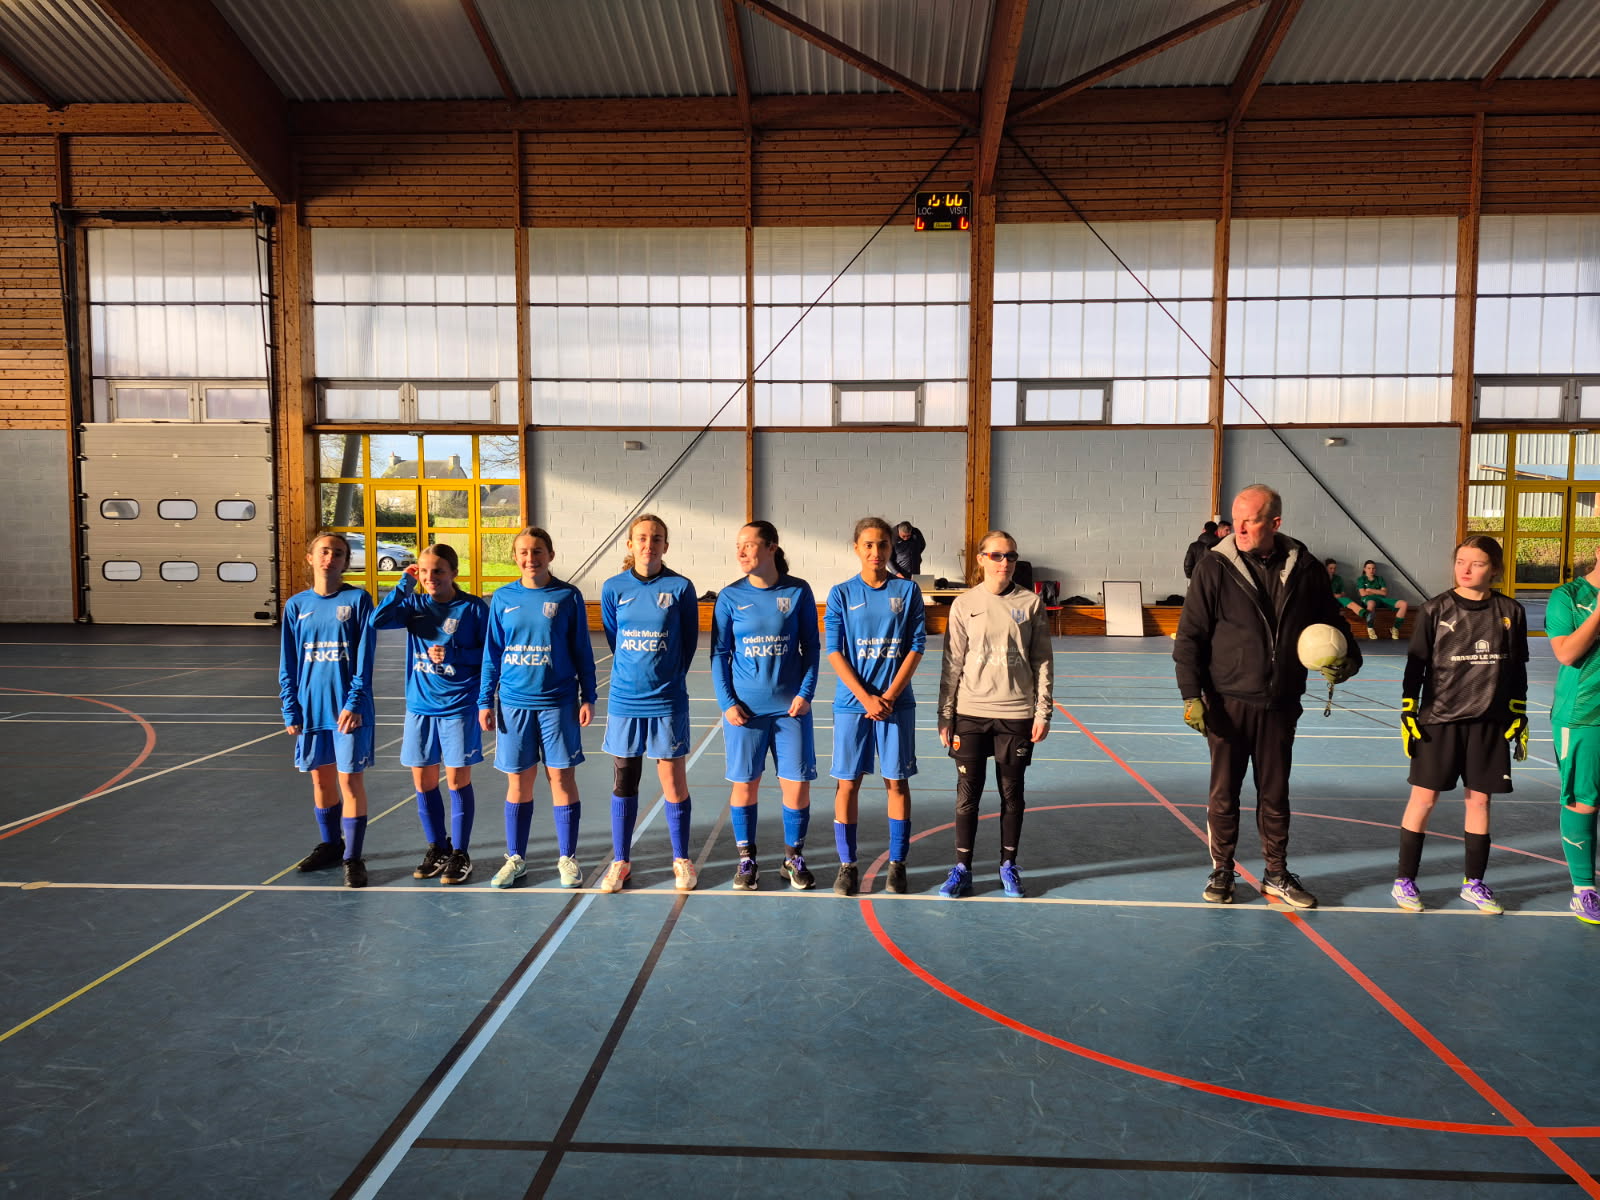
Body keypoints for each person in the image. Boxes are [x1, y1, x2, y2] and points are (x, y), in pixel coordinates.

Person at [1173, 484, 1361, 908]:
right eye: (1236, 518)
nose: (1238, 527)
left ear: (1274, 523)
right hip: (1226, 701)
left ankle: (1276, 873)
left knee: (1275, 794)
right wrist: (1191, 694)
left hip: (1280, 701)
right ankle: (1223, 870)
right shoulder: (1213, 566)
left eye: (1250, 520)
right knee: (1224, 793)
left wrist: (1349, 659)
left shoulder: (1306, 568)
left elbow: (1333, 623)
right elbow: (1190, 637)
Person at [1391, 536, 1528, 914]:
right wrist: (1408, 709)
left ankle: (1474, 883)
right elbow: (1415, 666)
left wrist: (1518, 711)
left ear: (1494, 569)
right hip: (1439, 722)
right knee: (1424, 798)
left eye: (1477, 563)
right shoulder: (1435, 609)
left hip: (1489, 724)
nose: (1465, 569)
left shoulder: (1511, 611)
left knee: (1480, 801)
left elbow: (1517, 668)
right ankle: (1404, 880)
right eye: (1460, 561)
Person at [935, 529, 1052, 899]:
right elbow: (952, 663)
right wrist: (945, 713)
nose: (1005, 562)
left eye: (1011, 556)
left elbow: (1042, 661)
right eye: (998, 555)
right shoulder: (963, 604)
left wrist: (1043, 711)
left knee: (1012, 794)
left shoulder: (1030, 603)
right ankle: (962, 868)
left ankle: (1008, 865)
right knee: (967, 795)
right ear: (981, 559)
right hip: (970, 713)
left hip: (1016, 713)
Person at [478, 526, 596, 889]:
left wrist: (589, 696)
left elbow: (582, 650)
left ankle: (568, 858)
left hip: (558, 703)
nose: (531, 558)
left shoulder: (568, 596)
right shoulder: (502, 598)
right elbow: (492, 653)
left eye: (538, 551)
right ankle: (516, 859)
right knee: (519, 781)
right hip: (513, 704)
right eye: (524, 552)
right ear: (515, 557)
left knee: (561, 778)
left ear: (551, 555)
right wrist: (485, 699)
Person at [371, 543, 489, 886]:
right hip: (420, 707)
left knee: (456, 781)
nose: (430, 577)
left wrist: (455, 654)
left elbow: (490, 655)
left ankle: (460, 852)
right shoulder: (414, 605)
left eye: (437, 571)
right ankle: (438, 846)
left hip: (458, 706)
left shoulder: (472, 608)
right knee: (423, 782)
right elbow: (377, 620)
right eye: (423, 571)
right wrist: (404, 584)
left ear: (454, 572)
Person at [711, 521, 819, 890]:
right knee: (745, 785)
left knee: (797, 786)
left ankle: (793, 858)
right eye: (738, 545)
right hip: (745, 712)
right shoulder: (729, 597)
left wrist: (805, 693)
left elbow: (811, 647)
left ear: (772, 547)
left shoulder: (798, 591)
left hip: (791, 710)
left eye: (749, 544)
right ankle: (747, 860)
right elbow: (719, 654)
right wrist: (727, 703)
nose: (741, 552)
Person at [598, 513, 701, 892]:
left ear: (665, 545)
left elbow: (688, 642)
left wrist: (666, 677)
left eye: (656, 538)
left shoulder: (680, 587)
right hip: (625, 701)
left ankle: (681, 859)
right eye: (641, 538)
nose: (649, 544)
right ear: (630, 544)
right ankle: (621, 861)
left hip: (667, 701)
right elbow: (614, 637)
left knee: (673, 781)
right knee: (625, 781)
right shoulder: (613, 588)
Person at [825, 517, 927, 895]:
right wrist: (867, 698)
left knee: (896, 782)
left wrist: (890, 696)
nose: (876, 552)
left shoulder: (907, 591)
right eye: (868, 545)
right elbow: (834, 651)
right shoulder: (841, 593)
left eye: (882, 544)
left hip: (896, 704)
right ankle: (847, 864)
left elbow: (916, 646)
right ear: (856, 548)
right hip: (853, 704)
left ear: (891, 548)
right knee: (847, 783)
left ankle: (897, 863)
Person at [279, 532, 376, 889]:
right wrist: (291, 707)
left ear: (345, 561)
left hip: (348, 710)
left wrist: (355, 701)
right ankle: (331, 845)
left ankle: (353, 856)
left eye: (338, 553)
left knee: (349, 780)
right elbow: (288, 662)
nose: (330, 558)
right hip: (311, 708)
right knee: (321, 780)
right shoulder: (296, 606)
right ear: (310, 558)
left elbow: (365, 658)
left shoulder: (358, 600)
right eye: (324, 551)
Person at [1545, 543, 1600, 924]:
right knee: (1584, 800)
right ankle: (1584, 890)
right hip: (1583, 714)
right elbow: (1566, 653)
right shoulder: (1568, 596)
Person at [1357, 559, 1410, 640]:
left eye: (1373, 568)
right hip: (1368, 599)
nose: (1371, 570)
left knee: (1404, 604)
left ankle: (1395, 628)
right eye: (1369, 568)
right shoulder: (1361, 579)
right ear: (1364, 569)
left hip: (1381, 599)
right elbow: (1363, 593)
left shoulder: (1379, 579)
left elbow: (1384, 593)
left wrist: (1370, 590)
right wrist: (1378, 591)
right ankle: (1370, 628)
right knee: (1371, 604)